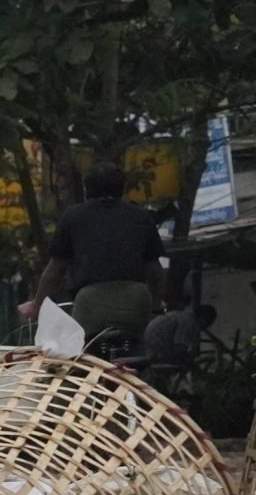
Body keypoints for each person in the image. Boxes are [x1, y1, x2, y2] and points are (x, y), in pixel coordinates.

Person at [27, 160, 166, 354]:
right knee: (141, 350)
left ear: (86, 190)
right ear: (122, 189)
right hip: (137, 302)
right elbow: (156, 272)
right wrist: (156, 306)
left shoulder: (73, 217)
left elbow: (54, 271)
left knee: (81, 359)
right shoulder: (141, 217)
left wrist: (37, 305)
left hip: (90, 305)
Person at [143, 302, 216, 391]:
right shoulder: (189, 322)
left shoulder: (184, 316)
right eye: (209, 322)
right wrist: (195, 368)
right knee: (181, 364)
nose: (208, 326)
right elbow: (179, 349)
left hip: (152, 342)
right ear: (203, 318)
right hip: (158, 345)